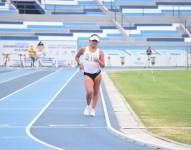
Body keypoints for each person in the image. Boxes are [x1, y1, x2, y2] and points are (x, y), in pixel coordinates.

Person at [75, 34, 105, 116]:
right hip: (87, 74)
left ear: (98, 42)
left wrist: (98, 60)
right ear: (89, 41)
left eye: (96, 41)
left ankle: (93, 109)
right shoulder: (83, 49)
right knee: (89, 92)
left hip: (97, 74)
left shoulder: (100, 52)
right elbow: (77, 57)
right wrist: (80, 63)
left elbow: (103, 65)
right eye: (93, 40)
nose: (94, 42)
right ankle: (88, 106)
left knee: (96, 92)